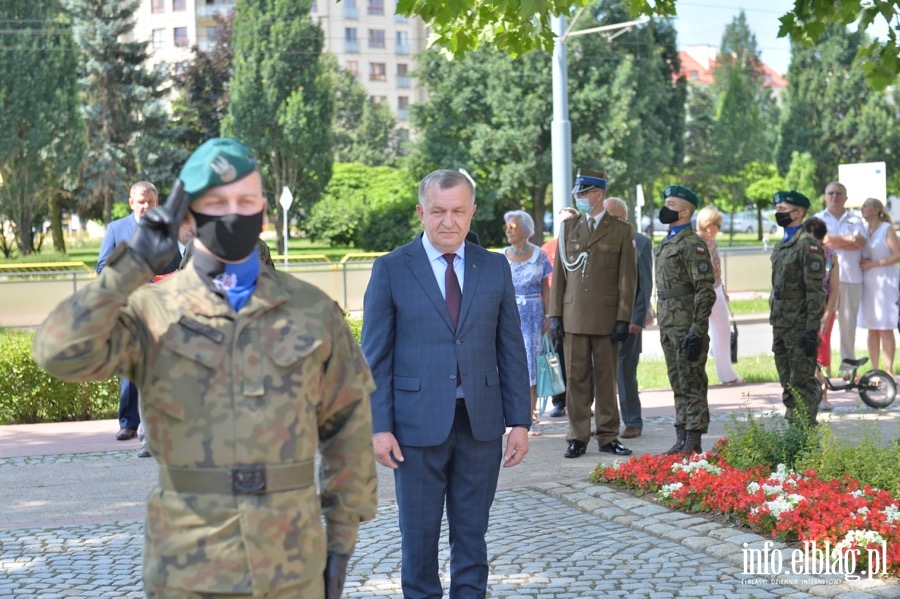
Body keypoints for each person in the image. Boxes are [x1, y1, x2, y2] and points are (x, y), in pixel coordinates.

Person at [34, 137, 377, 598]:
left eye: (246, 200)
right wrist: (129, 266)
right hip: (187, 562)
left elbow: (347, 429)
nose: (234, 212)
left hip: (292, 561)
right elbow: (57, 351)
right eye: (218, 202)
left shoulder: (311, 309)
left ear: (263, 210)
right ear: (187, 217)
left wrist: (340, 546)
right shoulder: (151, 310)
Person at [361, 169, 531, 599]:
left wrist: (521, 423)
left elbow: (510, 348)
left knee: (472, 539)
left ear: (472, 212)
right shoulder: (391, 269)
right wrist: (378, 427)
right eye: (438, 211)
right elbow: (374, 358)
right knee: (418, 543)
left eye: (458, 211)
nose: (448, 221)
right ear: (421, 212)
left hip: (481, 426)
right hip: (414, 430)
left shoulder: (494, 267)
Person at [548, 168, 636, 459]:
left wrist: (624, 318)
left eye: (584, 193)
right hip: (573, 316)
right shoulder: (569, 227)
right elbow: (560, 275)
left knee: (606, 380)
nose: (580, 198)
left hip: (606, 317)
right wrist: (554, 315)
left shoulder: (621, 229)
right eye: (578, 194)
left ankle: (608, 436)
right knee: (575, 379)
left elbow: (628, 278)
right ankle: (577, 436)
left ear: (598, 194)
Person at [96, 181, 180, 443]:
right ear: (131, 202)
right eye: (141, 201)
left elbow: (179, 263)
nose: (146, 206)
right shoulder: (116, 229)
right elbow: (102, 266)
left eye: (151, 202)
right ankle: (128, 423)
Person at [652, 185, 716, 455]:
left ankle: (694, 439)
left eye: (671, 204)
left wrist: (697, 329)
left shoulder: (693, 245)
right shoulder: (666, 243)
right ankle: (681, 437)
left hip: (687, 325)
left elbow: (705, 291)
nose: (665, 208)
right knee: (677, 381)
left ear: (685, 211)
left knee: (692, 382)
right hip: (668, 323)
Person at [771, 190, 826, 426]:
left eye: (783, 209)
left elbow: (815, 290)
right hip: (781, 322)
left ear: (799, 212)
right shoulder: (781, 245)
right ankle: (794, 429)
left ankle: (806, 436)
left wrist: (811, 328)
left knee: (802, 381)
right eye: (778, 209)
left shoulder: (808, 245)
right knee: (787, 381)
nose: (778, 213)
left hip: (800, 324)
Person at [604, 197, 652, 439]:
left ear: (622, 217)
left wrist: (637, 318)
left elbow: (644, 284)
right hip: (602, 320)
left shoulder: (641, 243)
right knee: (601, 372)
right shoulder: (601, 240)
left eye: (609, 216)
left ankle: (633, 422)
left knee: (625, 372)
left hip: (628, 320)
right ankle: (605, 423)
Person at [502, 209, 552, 435]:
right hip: (509, 314)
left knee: (532, 365)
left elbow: (546, 287)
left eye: (512, 227)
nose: (508, 231)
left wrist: (549, 316)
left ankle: (531, 416)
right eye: (507, 227)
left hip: (533, 315)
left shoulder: (539, 254)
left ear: (526, 231)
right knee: (509, 363)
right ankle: (510, 415)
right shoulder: (502, 256)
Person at [815, 181, 867, 373]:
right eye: (831, 193)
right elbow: (824, 240)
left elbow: (861, 242)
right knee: (823, 325)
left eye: (839, 193)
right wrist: (850, 240)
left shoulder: (856, 219)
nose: (834, 196)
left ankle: (847, 368)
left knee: (848, 327)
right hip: (824, 282)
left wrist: (835, 240)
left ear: (846, 197)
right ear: (825, 196)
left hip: (851, 278)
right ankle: (822, 368)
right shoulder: (818, 219)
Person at [696, 205, 744, 386]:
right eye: (718, 225)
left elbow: (716, 269)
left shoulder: (711, 241)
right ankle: (726, 374)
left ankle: (726, 373)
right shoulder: (697, 243)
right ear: (709, 225)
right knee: (718, 330)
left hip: (715, 289)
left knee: (721, 330)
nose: (720, 229)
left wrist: (722, 289)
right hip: (705, 291)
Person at [540, 207, 579, 418]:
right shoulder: (547, 248)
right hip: (555, 311)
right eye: (563, 221)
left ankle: (583, 402)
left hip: (578, 309)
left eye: (571, 221)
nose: (567, 225)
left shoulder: (583, 246)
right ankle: (559, 401)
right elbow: (542, 283)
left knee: (581, 358)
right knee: (556, 357)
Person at [857, 197, 900, 375]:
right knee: (872, 329)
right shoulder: (864, 231)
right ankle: (875, 370)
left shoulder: (886, 229)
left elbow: (897, 255)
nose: (862, 208)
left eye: (866, 205)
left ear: (876, 209)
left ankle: (889, 371)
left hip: (886, 283)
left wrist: (874, 264)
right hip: (868, 285)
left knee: (885, 328)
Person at [803, 216, 840, 411]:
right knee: (803, 352)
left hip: (823, 308)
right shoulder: (799, 254)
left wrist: (827, 315)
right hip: (802, 310)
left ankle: (823, 395)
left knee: (822, 351)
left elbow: (834, 289)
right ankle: (805, 397)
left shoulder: (831, 257)